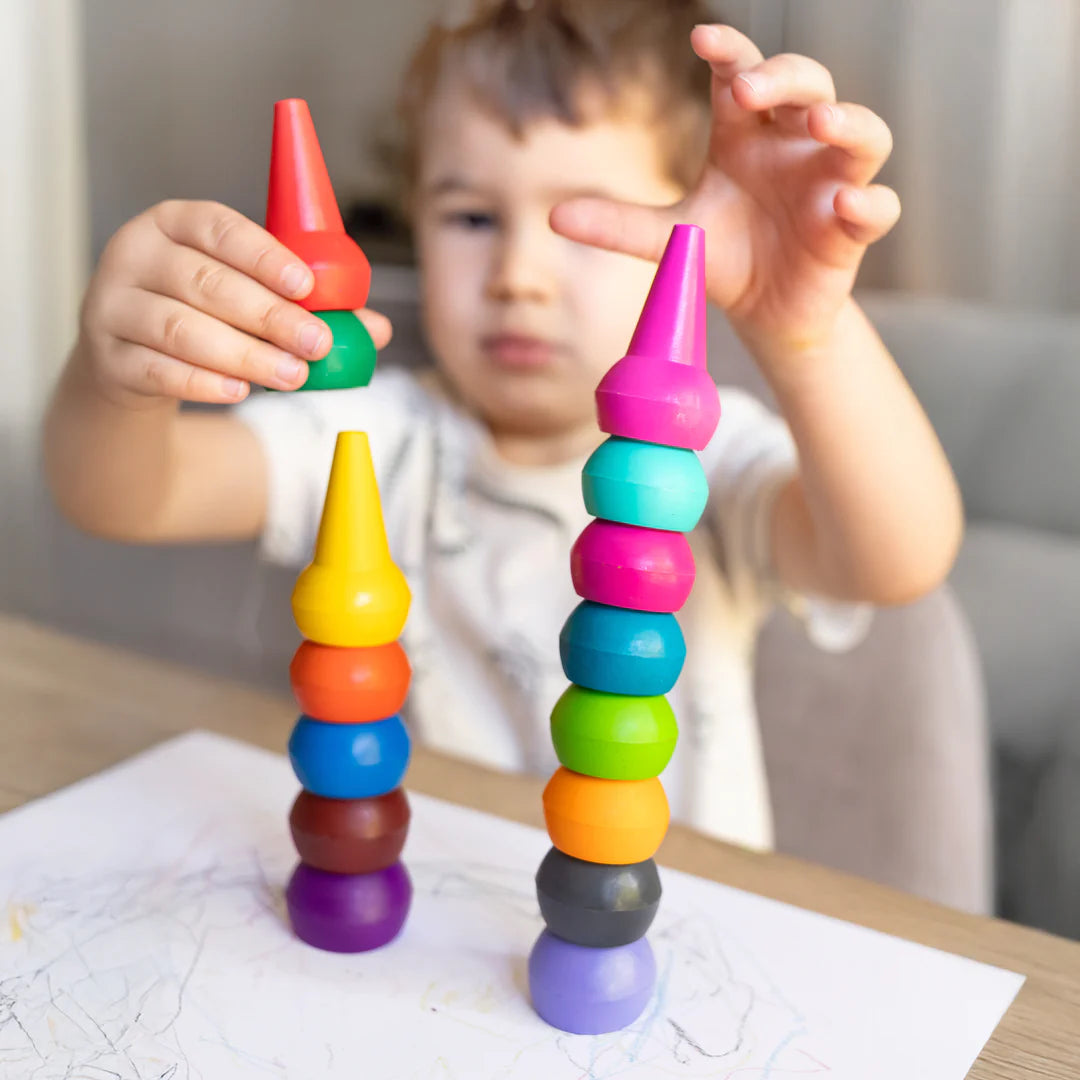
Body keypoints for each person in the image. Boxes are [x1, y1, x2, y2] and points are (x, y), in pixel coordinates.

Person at [43, 2, 962, 851]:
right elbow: (127, 495)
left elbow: (899, 557)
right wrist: (117, 375)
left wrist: (803, 333)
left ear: (690, 243)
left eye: (579, 225)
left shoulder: (702, 462)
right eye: (473, 215)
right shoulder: (376, 439)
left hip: (666, 927)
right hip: (433, 925)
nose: (518, 274)